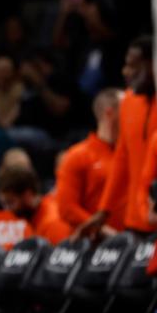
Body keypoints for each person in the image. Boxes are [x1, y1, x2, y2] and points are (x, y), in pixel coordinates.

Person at [79, 36, 157, 238]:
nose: (126, 72)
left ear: (154, 65)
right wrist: (104, 210)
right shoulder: (128, 102)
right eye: (126, 65)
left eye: (134, 66)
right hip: (136, 219)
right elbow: (122, 159)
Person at [55, 89, 123, 232]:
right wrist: (104, 231)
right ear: (110, 113)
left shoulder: (130, 153)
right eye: (127, 110)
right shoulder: (77, 156)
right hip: (96, 245)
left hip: (134, 240)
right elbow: (67, 209)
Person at [0, 164, 71, 244]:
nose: (7, 209)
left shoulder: (52, 224)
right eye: (4, 204)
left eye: (10, 202)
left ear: (27, 195)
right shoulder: (39, 216)